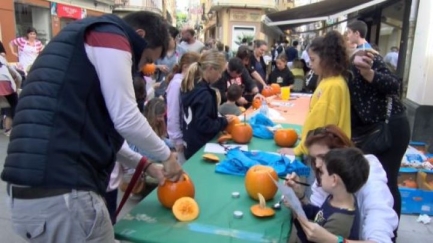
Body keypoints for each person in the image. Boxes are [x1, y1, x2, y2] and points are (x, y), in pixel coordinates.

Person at [1, 11, 183, 242]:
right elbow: (126, 118)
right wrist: (167, 156)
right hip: (65, 196)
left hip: (33, 196)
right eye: (147, 59)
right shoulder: (111, 36)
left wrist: (145, 166)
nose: (143, 68)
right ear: (139, 35)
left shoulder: (81, 42)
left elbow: (87, 133)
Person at [346, 20, 410, 236]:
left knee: (387, 181)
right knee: (376, 182)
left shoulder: (365, 57)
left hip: (392, 127)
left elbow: (395, 85)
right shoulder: (340, 70)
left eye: (347, 36)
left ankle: (390, 235)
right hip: (373, 129)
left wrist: (369, 74)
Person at [285, 125, 398, 243]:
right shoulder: (328, 179)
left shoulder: (371, 182)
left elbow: (379, 240)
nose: (318, 165)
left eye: (323, 157)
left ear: (343, 152)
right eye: (314, 159)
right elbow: (319, 215)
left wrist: (336, 240)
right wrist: (300, 197)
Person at [279, 31, 351, 157]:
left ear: (326, 59)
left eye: (313, 59)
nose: (310, 64)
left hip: (324, 155)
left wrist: (299, 149)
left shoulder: (332, 86)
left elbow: (320, 127)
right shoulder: (332, 81)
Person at [289, 147, 369, 243]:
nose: (319, 175)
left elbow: (312, 239)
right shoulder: (337, 197)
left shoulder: (340, 221)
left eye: (322, 172)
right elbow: (321, 215)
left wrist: (296, 212)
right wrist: (301, 203)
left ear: (334, 180)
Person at [180, 50, 237, 159]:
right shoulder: (205, 95)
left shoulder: (190, 85)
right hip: (201, 148)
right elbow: (204, 124)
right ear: (210, 68)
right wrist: (223, 122)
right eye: (219, 72)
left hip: (190, 142)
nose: (220, 76)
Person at [166, 52, 200, 164]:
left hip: (186, 136)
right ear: (185, 67)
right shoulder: (176, 84)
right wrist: (177, 139)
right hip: (179, 138)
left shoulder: (187, 83)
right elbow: (173, 113)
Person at [154, 26, 186, 97]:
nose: (165, 41)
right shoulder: (158, 50)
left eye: (168, 39)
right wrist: (158, 67)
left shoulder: (182, 52)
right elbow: (148, 66)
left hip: (176, 89)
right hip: (160, 89)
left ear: (174, 39)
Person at [0, 55, 22, 136]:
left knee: (5, 106)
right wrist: (17, 89)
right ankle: (9, 129)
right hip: (5, 83)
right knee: (12, 107)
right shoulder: (3, 60)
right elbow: (18, 77)